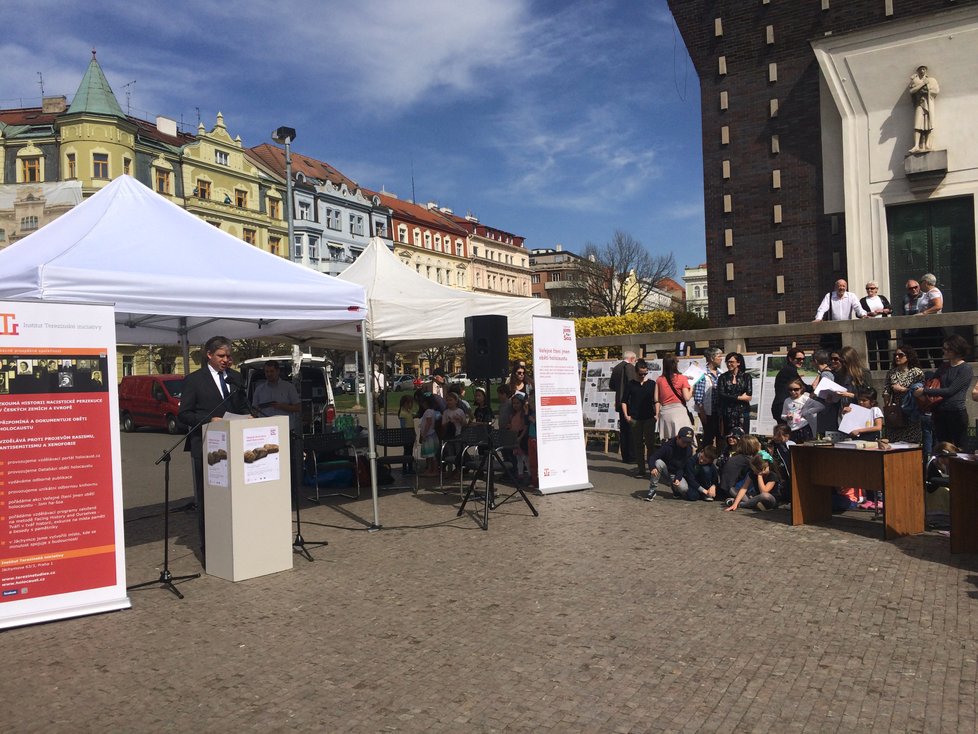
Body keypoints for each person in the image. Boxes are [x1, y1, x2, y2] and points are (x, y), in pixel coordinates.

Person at [178, 336, 251, 564]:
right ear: (208, 355)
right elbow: (185, 414)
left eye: (228, 356)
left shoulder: (236, 378)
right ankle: (209, 551)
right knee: (209, 499)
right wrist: (212, 419)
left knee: (234, 497)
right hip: (206, 446)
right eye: (221, 356)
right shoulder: (194, 380)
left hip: (235, 447)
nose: (226, 360)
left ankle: (237, 545)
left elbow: (242, 406)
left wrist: (248, 416)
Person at [252, 360, 302, 492]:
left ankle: (289, 490)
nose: (269, 374)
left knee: (286, 462)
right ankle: (270, 489)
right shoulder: (259, 389)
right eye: (267, 372)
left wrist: (282, 406)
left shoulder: (288, 387)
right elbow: (253, 410)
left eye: (272, 371)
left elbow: (297, 407)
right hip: (265, 433)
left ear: (278, 371)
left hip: (285, 431)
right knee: (267, 462)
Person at [915, 334, 973, 448]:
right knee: (943, 447)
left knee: (960, 447)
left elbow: (951, 391)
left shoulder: (965, 369)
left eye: (946, 349)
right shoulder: (944, 366)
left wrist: (925, 391)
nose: (944, 351)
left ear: (955, 350)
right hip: (940, 412)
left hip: (956, 413)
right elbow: (933, 382)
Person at [621, 359, 656, 478]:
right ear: (636, 372)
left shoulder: (652, 384)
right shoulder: (630, 384)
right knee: (638, 444)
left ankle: (652, 468)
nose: (643, 376)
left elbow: (656, 400)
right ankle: (641, 469)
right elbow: (624, 401)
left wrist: (657, 414)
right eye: (641, 373)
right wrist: (626, 415)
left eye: (645, 373)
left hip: (649, 417)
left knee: (650, 444)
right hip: (635, 418)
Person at [883, 344, 925, 444]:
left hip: (911, 410)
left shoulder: (916, 372)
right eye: (895, 355)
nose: (897, 357)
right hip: (896, 411)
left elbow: (921, 391)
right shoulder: (891, 372)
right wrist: (887, 406)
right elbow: (886, 390)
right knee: (894, 440)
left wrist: (903, 389)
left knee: (911, 442)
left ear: (908, 356)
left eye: (900, 355)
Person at [644, 426, 696, 501]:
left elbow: (682, 467)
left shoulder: (688, 450)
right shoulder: (667, 446)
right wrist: (652, 468)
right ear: (678, 437)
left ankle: (675, 489)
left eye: (688, 442)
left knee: (683, 489)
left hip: (675, 472)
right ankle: (652, 490)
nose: (685, 444)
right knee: (658, 462)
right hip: (665, 469)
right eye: (684, 441)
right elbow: (653, 457)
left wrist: (678, 478)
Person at [654, 355, 693, 441]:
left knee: (669, 441)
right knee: (684, 438)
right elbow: (686, 397)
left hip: (665, 412)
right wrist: (692, 388)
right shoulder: (682, 378)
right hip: (679, 412)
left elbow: (656, 399)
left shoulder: (659, 380)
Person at [609, 351, 638, 464]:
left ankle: (625, 456)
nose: (635, 362)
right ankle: (632, 456)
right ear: (631, 359)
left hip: (619, 402)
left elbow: (611, 385)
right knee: (632, 430)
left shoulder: (616, 367)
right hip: (630, 402)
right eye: (635, 360)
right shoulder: (630, 368)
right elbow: (633, 384)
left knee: (624, 430)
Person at [693, 348, 723, 447]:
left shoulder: (721, 373)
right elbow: (698, 395)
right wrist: (702, 413)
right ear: (711, 358)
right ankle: (705, 458)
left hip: (719, 411)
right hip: (708, 412)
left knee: (720, 436)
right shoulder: (702, 373)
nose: (721, 359)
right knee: (708, 436)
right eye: (719, 356)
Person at [717, 352, 753, 435]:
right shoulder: (723, 377)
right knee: (728, 436)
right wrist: (739, 397)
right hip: (727, 412)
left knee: (743, 437)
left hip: (743, 412)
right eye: (727, 362)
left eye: (731, 362)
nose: (729, 364)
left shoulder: (746, 377)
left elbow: (748, 396)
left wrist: (729, 396)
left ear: (738, 363)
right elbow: (721, 394)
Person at [860, 281, 892, 370]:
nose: (870, 290)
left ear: (876, 290)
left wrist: (880, 311)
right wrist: (867, 314)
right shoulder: (863, 300)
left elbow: (890, 309)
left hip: (883, 327)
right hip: (870, 328)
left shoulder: (882, 298)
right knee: (872, 351)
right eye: (867, 288)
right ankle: (873, 370)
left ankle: (885, 370)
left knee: (884, 349)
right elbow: (858, 313)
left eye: (872, 288)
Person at [770, 347, 807, 424]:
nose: (801, 361)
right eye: (798, 359)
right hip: (783, 407)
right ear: (790, 359)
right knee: (786, 433)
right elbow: (802, 386)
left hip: (782, 406)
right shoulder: (790, 370)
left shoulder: (788, 370)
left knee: (787, 432)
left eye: (803, 359)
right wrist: (813, 388)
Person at [915, 273, 944, 367]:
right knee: (928, 351)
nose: (920, 285)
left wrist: (924, 313)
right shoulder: (929, 293)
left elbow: (938, 305)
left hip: (931, 327)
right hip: (928, 327)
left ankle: (935, 373)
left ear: (926, 282)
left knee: (933, 351)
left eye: (921, 282)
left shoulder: (933, 292)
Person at [908, 65, 939, 153]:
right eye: (921, 69)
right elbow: (911, 91)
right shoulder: (915, 80)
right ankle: (916, 145)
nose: (922, 70)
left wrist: (928, 91)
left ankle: (928, 145)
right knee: (917, 124)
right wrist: (923, 84)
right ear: (918, 71)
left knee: (929, 124)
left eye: (924, 69)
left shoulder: (931, 80)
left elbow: (936, 90)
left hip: (928, 103)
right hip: (919, 104)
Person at [417, 394, 441, 477]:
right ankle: (430, 469)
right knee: (431, 455)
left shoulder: (428, 412)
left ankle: (434, 470)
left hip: (429, 435)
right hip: (432, 434)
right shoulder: (433, 411)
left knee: (431, 454)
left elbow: (428, 423)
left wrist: (424, 433)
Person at [397, 394, 416, 475]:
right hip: (406, 434)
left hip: (411, 433)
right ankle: (405, 468)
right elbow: (403, 425)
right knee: (407, 452)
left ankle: (410, 467)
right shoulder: (403, 413)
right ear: (405, 403)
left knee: (409, 451)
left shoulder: (408, 412)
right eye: (409, 403)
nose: (411, 405)